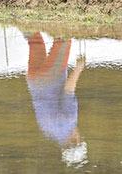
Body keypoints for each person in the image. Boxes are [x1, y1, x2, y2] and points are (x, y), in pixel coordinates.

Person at [25, 32, 88, 166]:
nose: (80, 135)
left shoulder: (69, 121)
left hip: (51, 77)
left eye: (80, 138)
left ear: (75, 141)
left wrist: (78, 68)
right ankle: (22, 21)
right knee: (35, 40)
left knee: (64, 39)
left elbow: (68, 91)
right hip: (33, 81)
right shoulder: (47, 130)